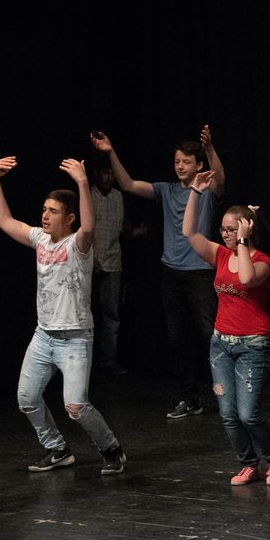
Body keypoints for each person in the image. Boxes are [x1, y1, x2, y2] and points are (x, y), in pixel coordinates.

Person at [0, 155, 127, 475]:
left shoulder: (78, 245)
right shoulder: (39, 238)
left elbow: (89, 227)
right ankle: (57, 449)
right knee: (27, 398)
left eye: (53, 211)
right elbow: (3, 220)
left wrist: (82, 182)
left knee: (75, 406)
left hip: (75, 338)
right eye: (44, 209)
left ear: (69, 218)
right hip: (44, 336)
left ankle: (111, 449)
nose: (45, 215)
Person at [88, 127, 226, 419]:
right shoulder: (166, 190)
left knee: (210, 335)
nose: (180, 166)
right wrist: (110, 152)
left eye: (186, 162)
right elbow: (127, 184)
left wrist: (210, 149)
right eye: (177, 161)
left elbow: (220, 180)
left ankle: (228, 394)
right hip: (171, 272)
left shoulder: (205, 190)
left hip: (200, 272)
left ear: (199, 165)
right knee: (177, 338)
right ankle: (189, 398)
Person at [181, 185, 270, 485]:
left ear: (245, 231)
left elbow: (246, 278)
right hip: (221, 345)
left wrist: (243, 241)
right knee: (227, 413)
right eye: (223, 229)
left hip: (253, 344)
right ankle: (249, 463)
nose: (225, 234)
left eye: (231, 230)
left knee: (248, 414)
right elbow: (189, 232)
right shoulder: (221, 254)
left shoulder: (263, 261)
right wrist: (195, 192)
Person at [87, 155, 129, 375]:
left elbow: (121, 229)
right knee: (85, 313)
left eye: (112, 174)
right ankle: (85, 362)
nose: (109, 178)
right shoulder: (88, 195)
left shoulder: (118, 197)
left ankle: (108, 362)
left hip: (113, 262)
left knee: (111, 314)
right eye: (105, 173)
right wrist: (90, 256)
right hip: (88, 263)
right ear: (97, 174)